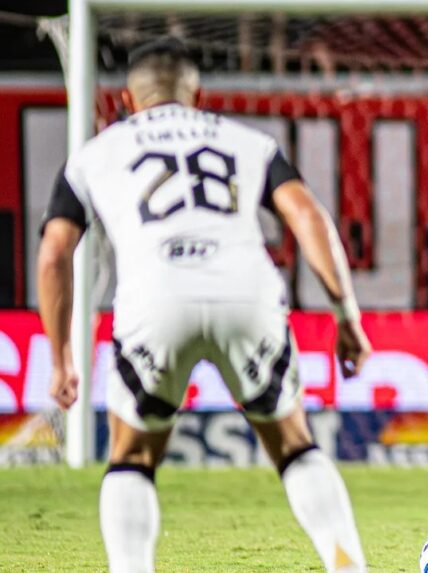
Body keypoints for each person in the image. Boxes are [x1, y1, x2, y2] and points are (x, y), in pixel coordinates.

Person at [37, 37, 370, 573]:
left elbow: (55, 253)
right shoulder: (247, 141)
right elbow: (309, 216)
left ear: (127, 100)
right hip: (247, 292)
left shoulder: (96, 154)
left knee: (133, 456)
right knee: (293, 446)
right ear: (199, 97)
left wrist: (60, 359)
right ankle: (348, 566)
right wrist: (346, 317)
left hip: (155, 298)